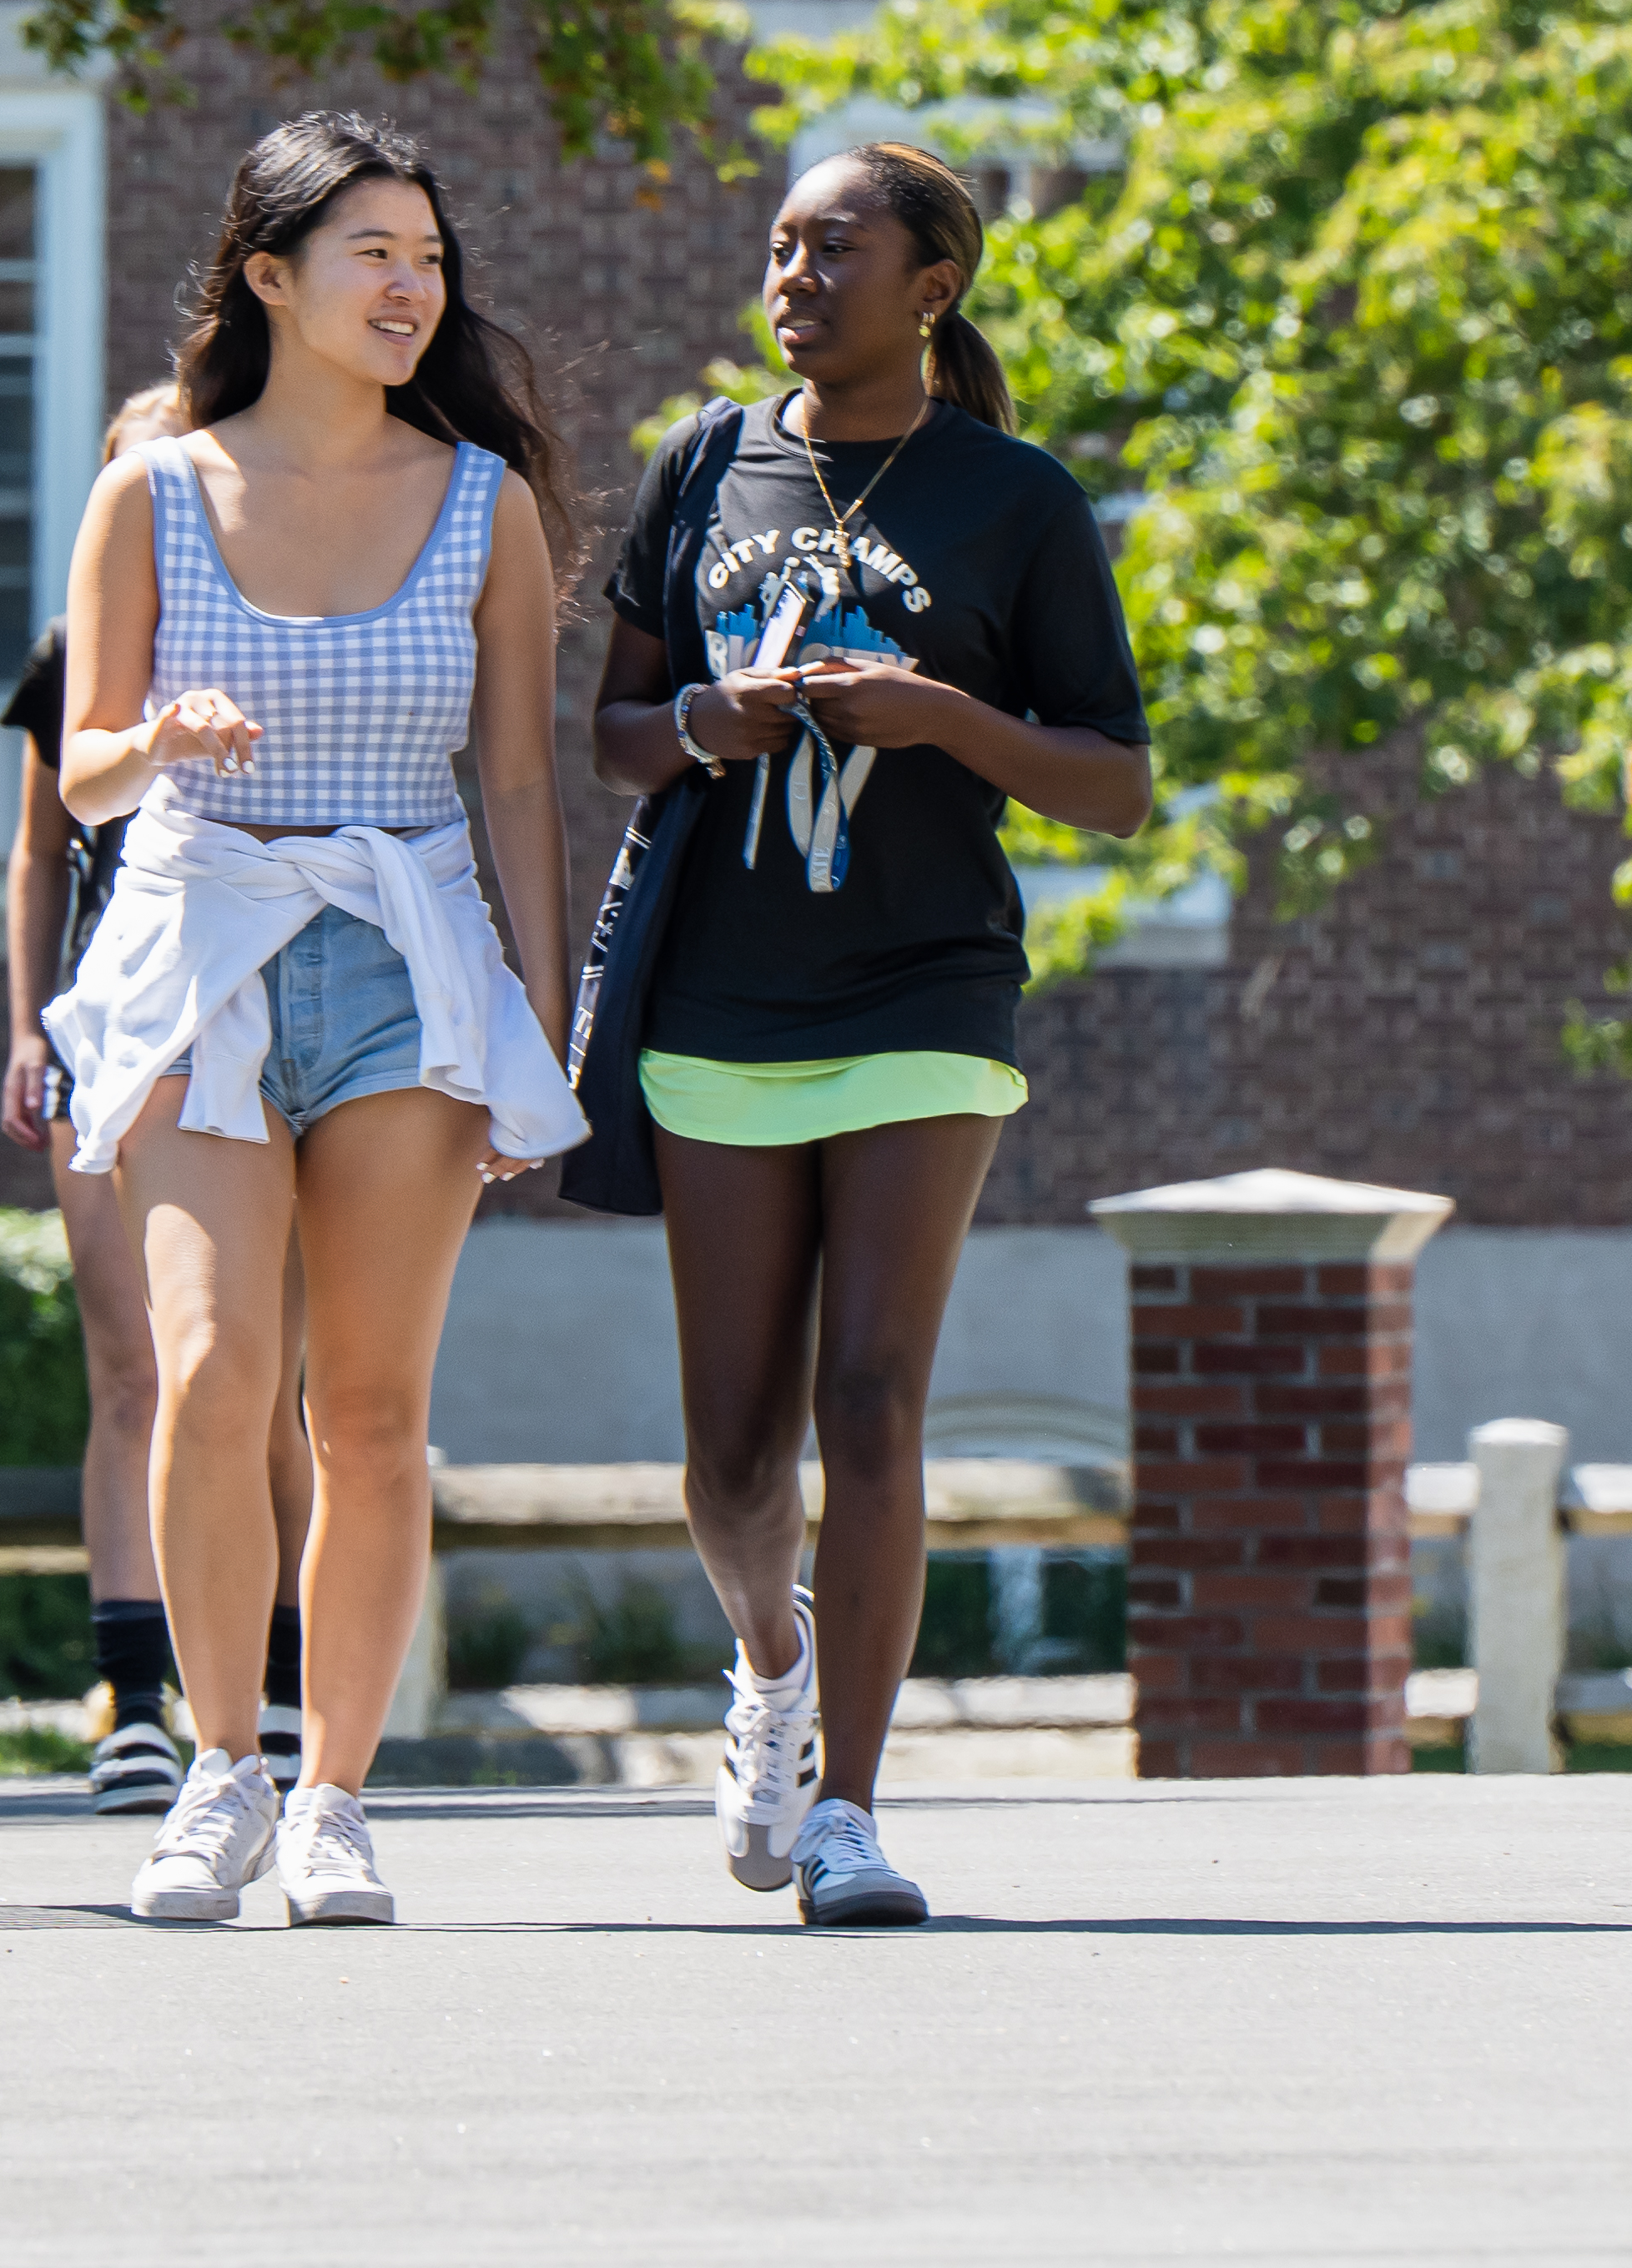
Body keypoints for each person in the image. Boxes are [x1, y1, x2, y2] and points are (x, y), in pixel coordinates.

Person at [587, 142, 1154, 1929]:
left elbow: (1117, 783)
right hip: (719, 993)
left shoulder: (1016, 498)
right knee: (734, 1454)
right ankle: (773, 1665)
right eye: (779, 246)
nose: (794, 273)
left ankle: (853, 1807)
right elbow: (606, 728)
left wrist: (938, 712)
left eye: (835, 246)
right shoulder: (701, 463)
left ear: (934, 284)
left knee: (872, 1395)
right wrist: (705, 714)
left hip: (925, 988)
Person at [43, 113, 586, 1928]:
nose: (411, 283)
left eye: (427, 255)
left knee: (368, 1407)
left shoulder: (484, 504)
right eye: (372, 249)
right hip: (204, 941)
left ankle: (340, 1793)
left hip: (408, 956)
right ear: (268, 274)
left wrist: (541, 1026)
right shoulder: (151, 491)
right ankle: (220, 1765)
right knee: (209, 1369)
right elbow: (83, 779)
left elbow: (516, 780)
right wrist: (162, 740)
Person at [0, 382, 316, 1815]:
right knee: (137, 1364)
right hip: (112, 1024)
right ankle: (132, 1692)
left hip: (257, 1007)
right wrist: (26, 1029)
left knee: (268, 1383)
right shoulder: (73, 656)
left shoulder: (284, 622)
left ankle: (289, 1678)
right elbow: (36, 847)